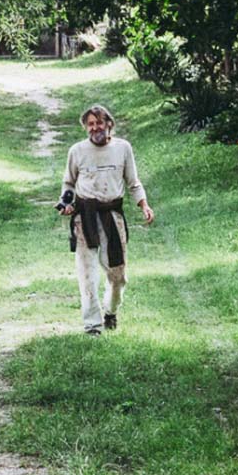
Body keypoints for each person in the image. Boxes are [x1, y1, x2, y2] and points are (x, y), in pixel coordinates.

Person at [56, 104, 154, 335]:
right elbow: (69, 183)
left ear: (109, 124)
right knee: (87, 274)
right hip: (85, 218)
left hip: (112, 216)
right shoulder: (77, 151)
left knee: (118, 276)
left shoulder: (123, 148)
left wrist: (144, 205)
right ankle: (92, 325)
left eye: (99, 123)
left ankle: (110, 312)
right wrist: (66, 203)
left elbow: (133, 182)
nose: (95, 128)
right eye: (90, 124)